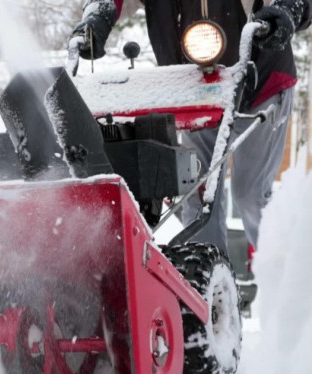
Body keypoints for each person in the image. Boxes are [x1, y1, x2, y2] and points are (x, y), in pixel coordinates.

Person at [72, 0, 311, 252]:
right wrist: (97, 18)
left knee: (250, 195)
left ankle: (284, 273)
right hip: (196, 90)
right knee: (198, 196)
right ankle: (208, 281)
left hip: (261, 82)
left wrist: (285, 12)